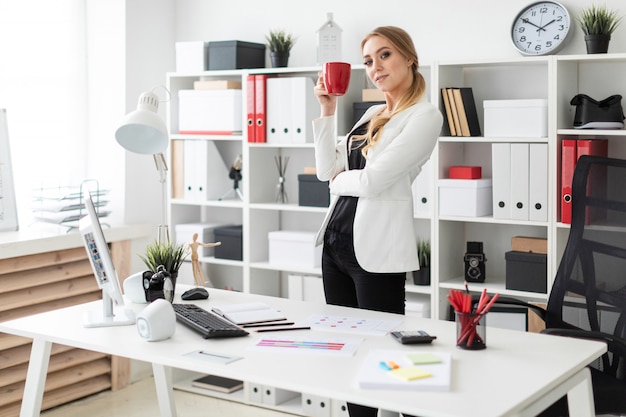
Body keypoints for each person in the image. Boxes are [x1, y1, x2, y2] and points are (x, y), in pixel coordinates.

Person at [312, 26, 442, 417]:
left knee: (386, 354)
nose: (375, 67)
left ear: (409, 57)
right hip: (336, 245)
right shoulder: (371, 113)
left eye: (384, 55)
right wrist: (327, 110)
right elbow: (324, 171)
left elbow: (373, 180)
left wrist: (340, 180)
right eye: (368, 60)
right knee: (350, 351)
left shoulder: (425, 116)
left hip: (377, 250)